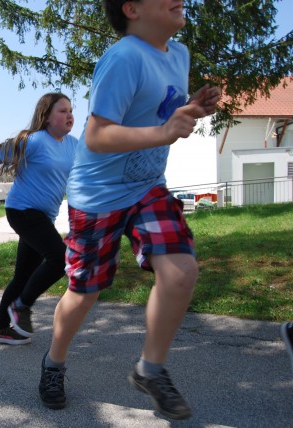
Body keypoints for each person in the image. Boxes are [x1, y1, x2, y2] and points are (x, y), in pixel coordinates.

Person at [37, 0, 221, 420]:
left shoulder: (178, 54)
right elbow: (98, 135)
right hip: (97, 195)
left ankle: (150, 370)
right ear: (133, 9)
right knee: (86, 293)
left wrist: (189, 108)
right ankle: (54, 362)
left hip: (146, 186)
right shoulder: (123, 58)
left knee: (181, 271)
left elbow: (158, 112)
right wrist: (163, 131)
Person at [0, 92, 78, 345]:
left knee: (23, 275)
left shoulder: (73, 145)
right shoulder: (34, 141)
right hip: (22, 210)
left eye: (71, 110)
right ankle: (21, 306)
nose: (69, 115)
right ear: (46, 117)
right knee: (59, 259)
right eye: (62, 111)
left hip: (44, 216)